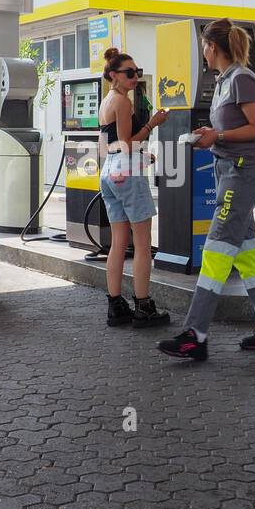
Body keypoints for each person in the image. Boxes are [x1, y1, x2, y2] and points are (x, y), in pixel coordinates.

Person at [157, 18, 255, 361]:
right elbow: (233, 125)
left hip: (243, 175)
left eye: (203, 45)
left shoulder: (243, 79)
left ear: (212, 47)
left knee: (215, 249)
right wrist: (211, 132)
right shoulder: (225, 81)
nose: (202, 51)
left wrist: (219, 136)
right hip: (229, 171)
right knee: (246, 254)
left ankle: (195, 334)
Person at [97, 47, 170, 328]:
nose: (135, 77)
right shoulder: (123, 102)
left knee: (118, 242)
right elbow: (128, 143)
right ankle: (144, 307)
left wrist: (140, 154)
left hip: (110, 170)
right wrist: (153, 123)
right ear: (114, 75)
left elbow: (114, 143)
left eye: (137, 73)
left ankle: (116, 306)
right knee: (141, 243)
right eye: (129, 73)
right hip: (127, 171)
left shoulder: (107, 102)